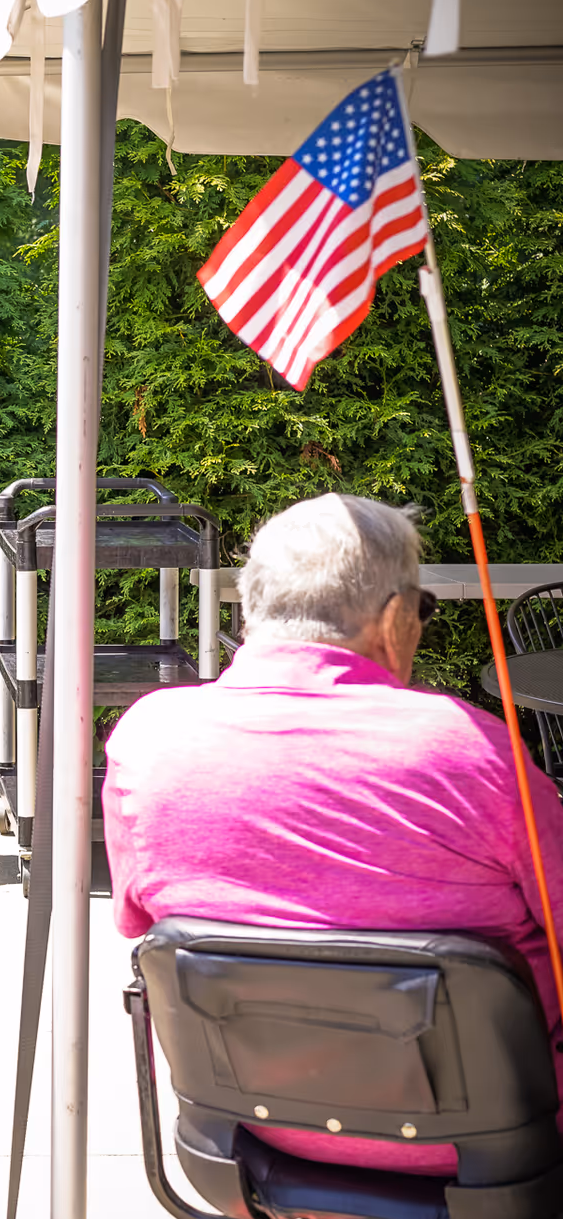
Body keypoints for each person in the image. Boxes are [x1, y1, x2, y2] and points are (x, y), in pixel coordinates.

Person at [103, 493, 563, 1175]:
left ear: (255, 607)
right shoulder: (469, 751)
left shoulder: (149, 736)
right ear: (395, 617)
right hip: (490, 1150)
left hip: (246, 1139)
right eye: (423, 613)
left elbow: (137, 919)